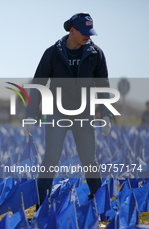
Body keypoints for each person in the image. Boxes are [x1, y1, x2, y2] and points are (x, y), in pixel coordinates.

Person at [24, 13, 112, 205]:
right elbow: (38, 83)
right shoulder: (52, 53)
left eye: (91, 32)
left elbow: (103, 86)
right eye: (84, 32)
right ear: (72, 31)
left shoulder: (96, 54)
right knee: (51, 158)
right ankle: (42, 203)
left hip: (84, 113)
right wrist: (30, 114)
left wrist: (106, 114)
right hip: (57, 113)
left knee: (89, 159)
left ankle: (99, 202)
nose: (89, 36)